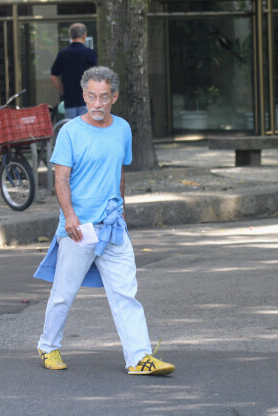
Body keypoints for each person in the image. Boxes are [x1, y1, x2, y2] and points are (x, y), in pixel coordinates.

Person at [34, 66, 175, 376]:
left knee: (126, 292)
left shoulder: (122, 128)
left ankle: (139, 358)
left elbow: (119, 171)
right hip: (79, 228)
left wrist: (121, 208)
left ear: (115, 97)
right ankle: (48, 346)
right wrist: (69, 216)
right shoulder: (70, 131)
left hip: (113, 225)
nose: (97, 104)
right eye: (91, 97)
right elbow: (61, 178)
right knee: (63, 294)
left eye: (104, 97)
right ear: (84, 96)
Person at [50, 23, 97, 119]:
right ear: (84, 35)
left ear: (70, 36)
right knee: (86, 128)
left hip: (69, 100)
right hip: (87, 98)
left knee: (71, 128)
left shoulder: (63, 54)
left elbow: (53, 77)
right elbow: (96, 76)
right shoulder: (90, 53)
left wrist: (63, 90)